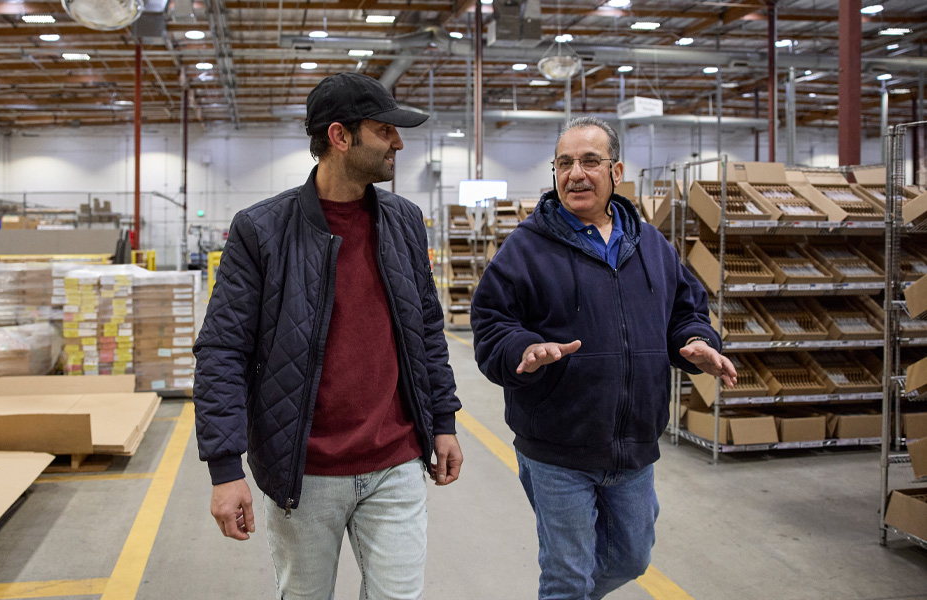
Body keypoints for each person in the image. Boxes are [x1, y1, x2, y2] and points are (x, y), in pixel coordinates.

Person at [193, 72, 463, 600]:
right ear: (340, 137)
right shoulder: (261, 230)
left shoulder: (405, 221)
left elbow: (427, 328)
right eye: (385, 130)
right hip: (305, 470)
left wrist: (444, 420)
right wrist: (224, 469)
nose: (399, 143)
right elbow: (222, 350)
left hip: (396, 461)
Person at [470, 116, 736, 600]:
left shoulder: (651, 245)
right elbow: (492, 323)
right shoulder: (525, 249)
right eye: (565, 163)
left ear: (615, 172)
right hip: (557, 447)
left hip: (634, 447)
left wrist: (696, 340)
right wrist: (522, 349)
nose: (576, 173)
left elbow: (686, 309)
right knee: (567, 576)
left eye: (590, 161)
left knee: (632, 557)